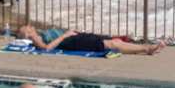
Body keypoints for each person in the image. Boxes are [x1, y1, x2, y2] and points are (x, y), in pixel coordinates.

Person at [17, 24, 166, 56]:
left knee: (114, 41)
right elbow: (46, 49)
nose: (30, 26)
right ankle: (148, 49)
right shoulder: (35, 38)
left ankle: (147, 48)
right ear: (27, 34)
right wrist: (65, 35)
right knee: (112, 44)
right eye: (27, 28)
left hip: (74, 37)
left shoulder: (39, 33)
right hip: (71, 42)